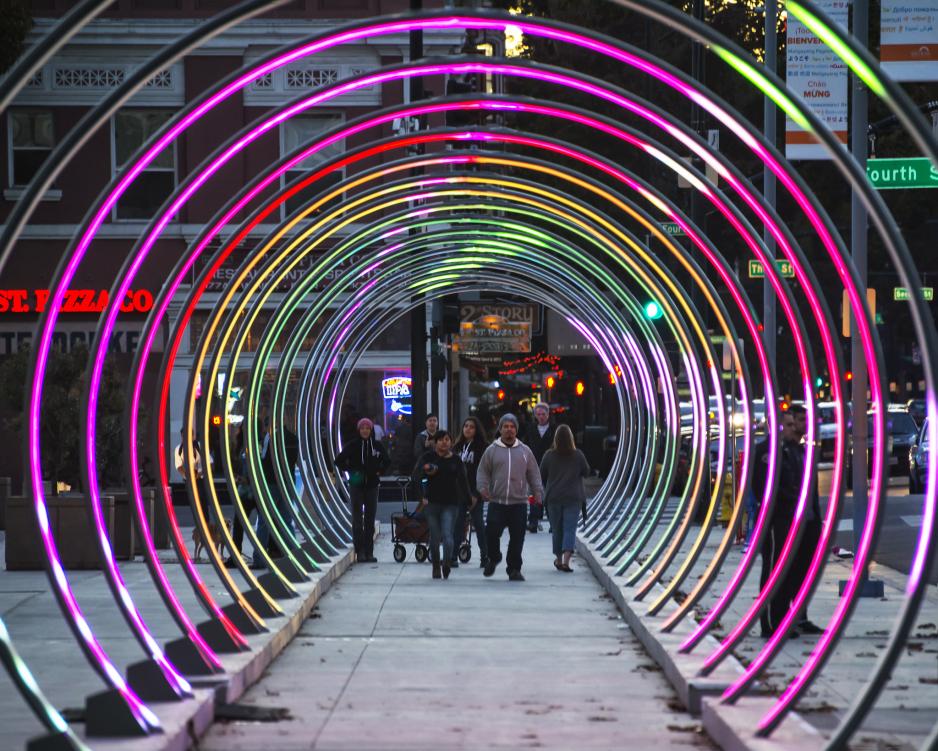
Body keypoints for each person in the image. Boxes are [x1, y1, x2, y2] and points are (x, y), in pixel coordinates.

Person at [758, 407, 823, 638]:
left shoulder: (795, 451)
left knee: (795, 571)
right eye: (788, 425)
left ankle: (788, 619)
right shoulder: (768, 452)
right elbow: (765, 488)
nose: (792, 428)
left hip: (798, 520)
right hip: (778, 520)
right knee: (775, 571)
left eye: (791, 425)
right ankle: (771, 622)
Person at [477, 413, 543, 581]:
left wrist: (537, 492)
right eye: (505, 427)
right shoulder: (491, 450)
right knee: (491, 533)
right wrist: (483, 488)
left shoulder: (524, 451)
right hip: (497, 501)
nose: (509, 430)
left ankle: (514, 569)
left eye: (512, 427)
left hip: (518, 502)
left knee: (517, 538)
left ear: (516, 430)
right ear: (500, 429)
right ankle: (494, 557)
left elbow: (533, 473)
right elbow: (483, 472)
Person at [414, 430, 471, 580]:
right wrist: (422, 496)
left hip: (451, 503)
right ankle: (435, 566)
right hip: (431, 503)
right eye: (440, 440)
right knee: (434, 536)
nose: (444, 442)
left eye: (447, 439)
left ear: (451, 442)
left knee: (447, 534)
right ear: (435, 442)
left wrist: (469, 499)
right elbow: (417, 476)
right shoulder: (428, 457)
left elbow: (463, 481)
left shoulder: (456, 460)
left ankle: (447, 562)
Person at [335, 417, 390, 563]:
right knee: (358, 519)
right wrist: (351, 470)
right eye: (362, 428)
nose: (365, 430)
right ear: (359, 430)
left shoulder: (376, 445)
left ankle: (369, 552)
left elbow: (387, 460)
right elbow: (339, 460)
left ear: (371, 430)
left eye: (367, 428)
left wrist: (379, 471)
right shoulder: (353, 445)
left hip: (372, 485)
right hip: (356, 484)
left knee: (370, 519)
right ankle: (360, 551)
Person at [540, 424, 589, 573]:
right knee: (570, 529)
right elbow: (586, 471)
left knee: (556, 530)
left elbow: (542, 474)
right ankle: (567, 561)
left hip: (553, 497)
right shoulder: (578, 455)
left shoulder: (549, 455)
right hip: (573, 497)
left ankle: (558, 559)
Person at [453, 416, 490, 568]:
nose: (468, 429)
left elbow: (485, 472)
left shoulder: (482, 447)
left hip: (475, 492)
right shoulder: (457, 446)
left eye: (471, 427)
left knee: (479, 525)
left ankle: (485, 557)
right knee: (458, 525)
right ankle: (452, 556)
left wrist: (476, 494)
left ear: (477, 430)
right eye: (466, 426)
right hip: (459, 493)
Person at [523, 402, 556, 533]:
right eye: (538, 414)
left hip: (551, 466)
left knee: (550, 494)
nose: (541, 417)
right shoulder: (530, 428)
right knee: (533, 494)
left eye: (543, 414)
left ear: (548, 415)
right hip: (534, 465)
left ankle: (553, 522)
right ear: (535, 415)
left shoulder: (555, 429)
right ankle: (533, 521)